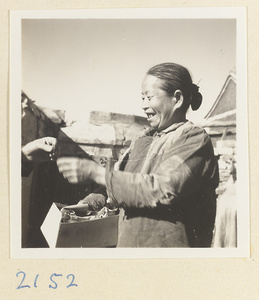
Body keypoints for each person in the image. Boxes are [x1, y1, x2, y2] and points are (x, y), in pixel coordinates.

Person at [57, 62, 219, 247]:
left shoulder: (193, 139)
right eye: (142, 98)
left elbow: (162, 189)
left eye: (149, 97)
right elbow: (118, 183)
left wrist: (96, 173)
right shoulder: (143, 140)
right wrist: (88, 205)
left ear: (178, 99)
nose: (143, 105)